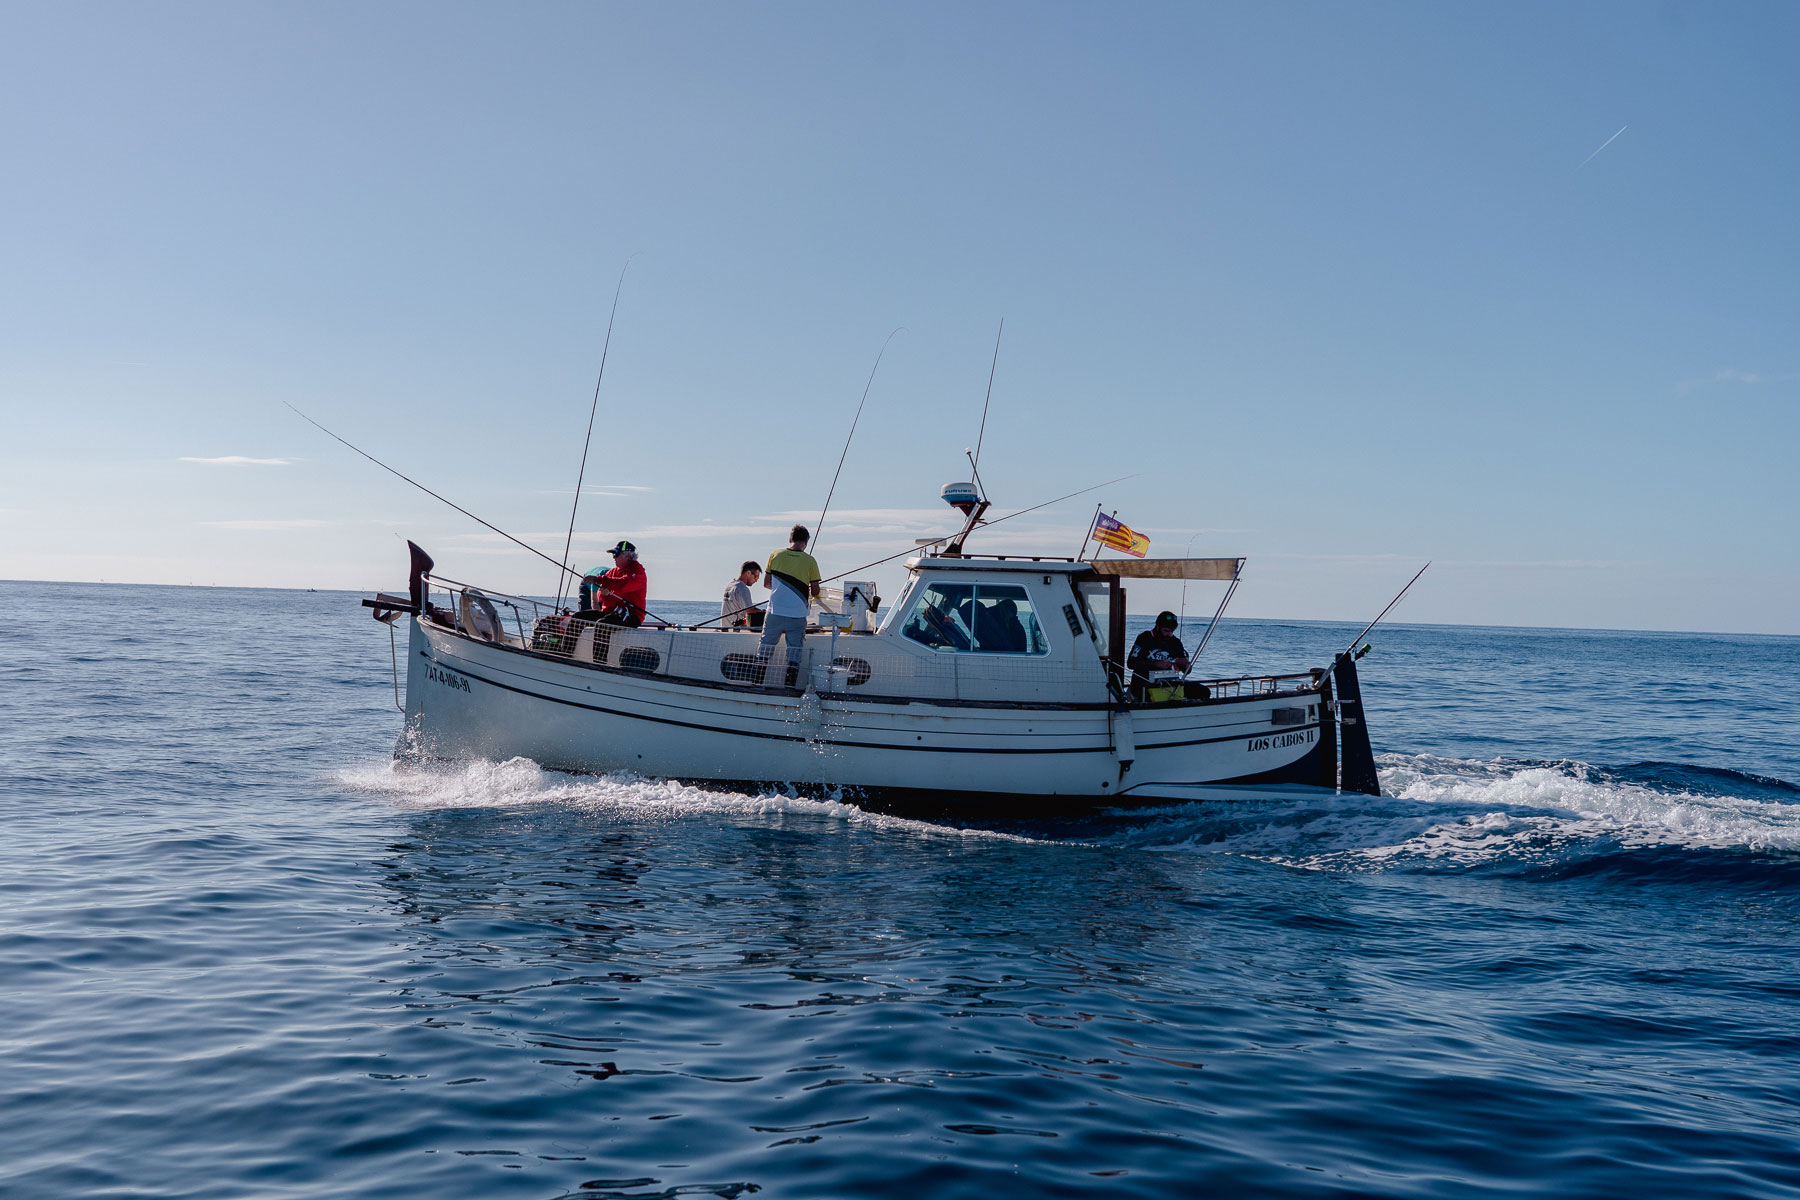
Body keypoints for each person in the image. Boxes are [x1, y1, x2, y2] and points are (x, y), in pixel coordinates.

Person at [757, 524, 821, 684]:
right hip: (797, 615)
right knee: (794, 653)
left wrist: (783, 589)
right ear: (806, 542)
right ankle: (789, 687)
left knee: (764, 650)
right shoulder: (810, 561)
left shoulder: (775, 554)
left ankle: (757, 683)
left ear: (790, 539)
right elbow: (815, 591)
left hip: (775, 611)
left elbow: (767, 583)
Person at [578, 541, 648, 628]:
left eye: (616, 555)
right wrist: (604, 594)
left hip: (630, 616)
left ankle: (599, 641)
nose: (613, 557)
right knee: (578, 618)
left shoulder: (638, 572)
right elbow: (600, 595)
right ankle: (568, 641)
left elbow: (624, 584)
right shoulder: (612, 572)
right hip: (610, 613)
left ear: (628, 556)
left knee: (602, 624)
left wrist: (597, 579)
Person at [1127, 610, 1190, 701]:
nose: (1169, 634)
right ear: (1157, 627)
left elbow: (1187, 671)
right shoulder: (1144, 638)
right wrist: (1154, 664)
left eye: (1172, 631)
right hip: (1144, 683)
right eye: (1166, 631)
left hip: (1169, 683)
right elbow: (1131, 663)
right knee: (1150, 698)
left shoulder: (1175, 642)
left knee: (1202, 691)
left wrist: (1186, 665)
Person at [721, 560, 762, 628]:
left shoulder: (730, 585)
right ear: (748, 573)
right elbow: (749, 610)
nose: (756, 580)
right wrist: (763, 612)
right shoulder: (742, 588)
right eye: (756, 577)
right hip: (736, 630)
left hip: (725, 628)